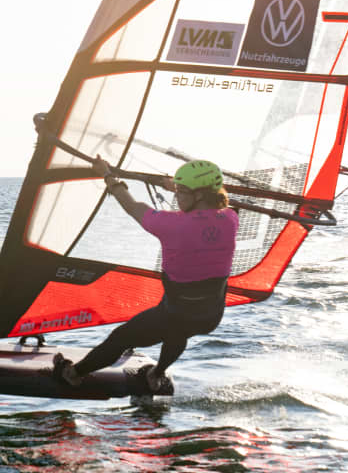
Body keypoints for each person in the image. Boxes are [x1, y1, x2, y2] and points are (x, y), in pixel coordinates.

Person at [51, 157, 238, 394]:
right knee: (179, 331)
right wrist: (176, 186)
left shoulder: (171, 224)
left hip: (175, 313)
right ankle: (156, 374)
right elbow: (215, 207)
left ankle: (72, 375)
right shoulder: (231, 219)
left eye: (181, 191)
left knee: (121, 338)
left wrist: (108, 176)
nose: (177, 196)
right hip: (209, 316)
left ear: (199, 195)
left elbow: (131, 206)